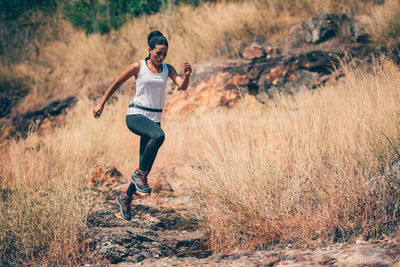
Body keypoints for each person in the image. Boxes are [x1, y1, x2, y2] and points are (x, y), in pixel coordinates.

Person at [93, 31, 192, 220]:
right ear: (149, 50)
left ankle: (125, 197)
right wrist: (101, 103)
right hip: (136, 115)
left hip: (154, 119)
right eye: (158, 53)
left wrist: (186, 75)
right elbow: (116, 83)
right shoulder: (138, 67)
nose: (161, 57)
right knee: (159, 136)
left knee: (143, 168)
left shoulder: (167, 69)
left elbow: (182, 85)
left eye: (164, 54)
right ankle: (137, 178)